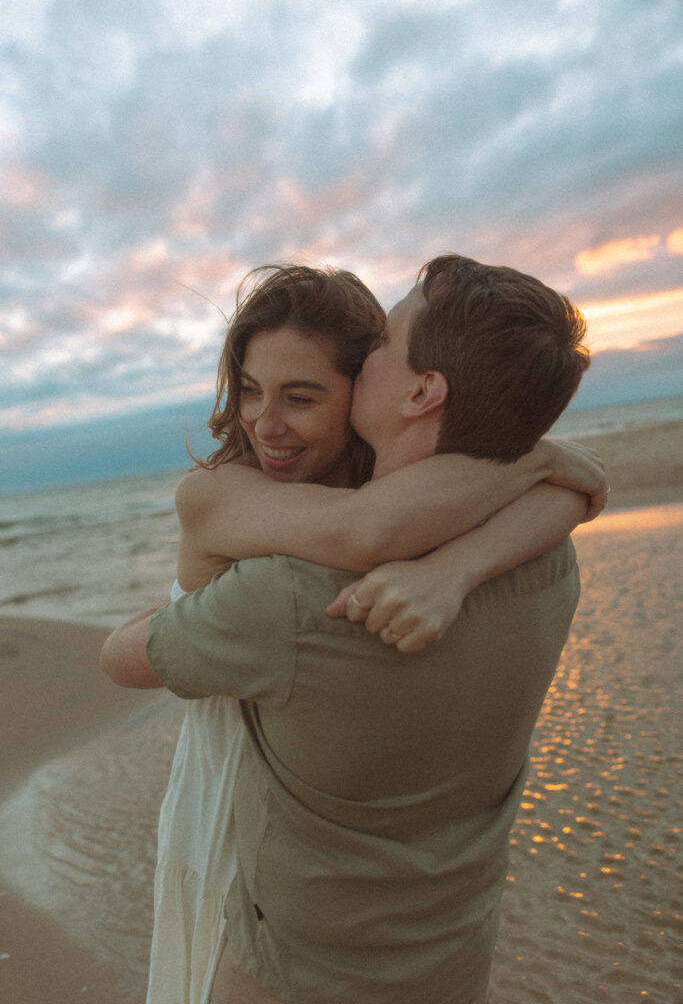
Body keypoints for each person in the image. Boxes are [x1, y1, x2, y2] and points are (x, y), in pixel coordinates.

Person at [102, 253, 606, 1003]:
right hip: (451, 954)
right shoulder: (546, 559)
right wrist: (465, 557)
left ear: (420, 389)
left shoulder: (288, 598)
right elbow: (576, 478)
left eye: (382, 341)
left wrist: (182, 610)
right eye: (248, 390)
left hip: (298, 970)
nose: (264, 421)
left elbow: (124, 658)